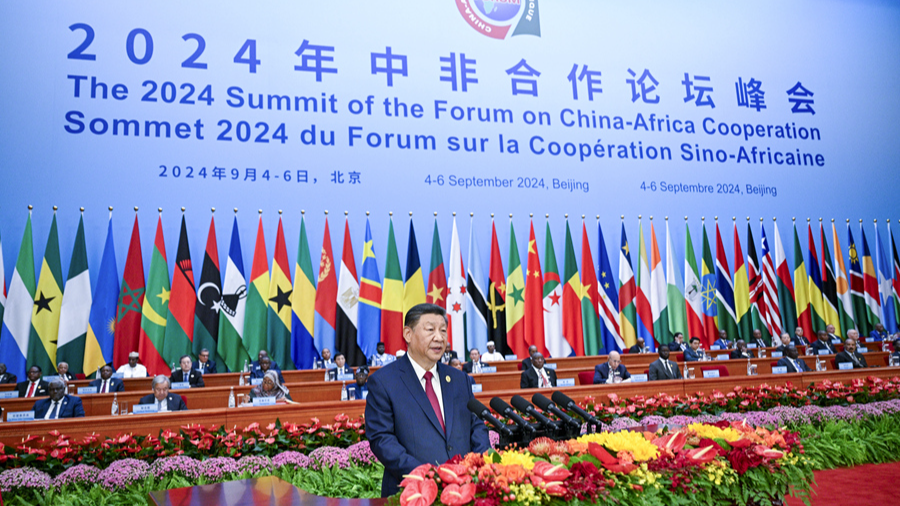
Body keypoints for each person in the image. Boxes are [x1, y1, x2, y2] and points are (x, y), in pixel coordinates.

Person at [365, 303, 490, 497]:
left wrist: (478, 464)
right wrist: (429, 475)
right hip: (412, 492)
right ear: (408, 334)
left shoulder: (459, 379)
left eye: (443, 331)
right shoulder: (383, 382)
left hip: (464, 490)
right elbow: (382, 439)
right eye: (430, 330)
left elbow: (476, 425)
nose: (439, 338)